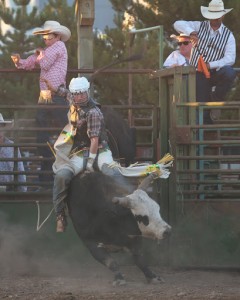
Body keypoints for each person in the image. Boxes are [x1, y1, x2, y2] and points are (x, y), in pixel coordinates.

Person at [44, 76, 114, 232]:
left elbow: (94, 140)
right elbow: (64, 93)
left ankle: (123, 204)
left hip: (98, 150)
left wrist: (90, 163)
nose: (79, 96)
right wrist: (52, 86)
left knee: (113, 174)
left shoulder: (94, 112)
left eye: (82, 93)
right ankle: (60, 214)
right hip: (78, 152)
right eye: (76, 94)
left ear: (87, 92)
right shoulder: (73, 99)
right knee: (61, 177)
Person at [11, 21, 71, 183]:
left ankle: (57, 161)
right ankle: (48, 160)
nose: (46, 40)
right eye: (45, 37)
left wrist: (38, 54)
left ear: (57, 36)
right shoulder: (48, 51)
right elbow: (32, 62)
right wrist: (19, 62)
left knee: (61, 129)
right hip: (47, 95)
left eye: (48, 37)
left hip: (56, 93)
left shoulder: (59, 47)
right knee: (43, 130)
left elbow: (43, 62)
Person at [174, 0, 236, 123]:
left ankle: (216, 98)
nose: (215, 19)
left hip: (216, 72)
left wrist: (210, 65)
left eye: (218, 15)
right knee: (200, 106)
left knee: (230, 72)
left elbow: (230, 59)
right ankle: (204, 134)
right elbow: (177, 23)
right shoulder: (198, 26)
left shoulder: (229, 35)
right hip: (198, 73)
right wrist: (191, 33)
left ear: (223, 16)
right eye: (213, 16)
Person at [0, 113, 27, 192]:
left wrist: (22, 194)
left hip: (10, 191)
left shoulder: (12, 146)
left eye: (0, 126)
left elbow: (20, 172)